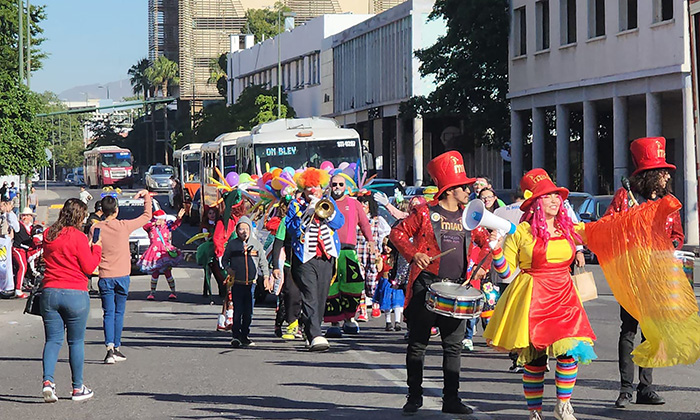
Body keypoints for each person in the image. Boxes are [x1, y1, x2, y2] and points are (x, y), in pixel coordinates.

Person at [485, 168, 597, 420]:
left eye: (557, 196)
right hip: (534, 296)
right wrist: (496, 250)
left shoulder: (568, 228)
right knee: (535, 360)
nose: (555, 201)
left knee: (570, 352)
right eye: (548, 197)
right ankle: (535, 412)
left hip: (565, 295)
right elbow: (506, 273)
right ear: (535, 203)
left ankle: (563, 406)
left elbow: (596, 234)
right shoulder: (520, 232)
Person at [389, 150, 477, 415]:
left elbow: (484, 243)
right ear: (450, 190)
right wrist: (414, 254)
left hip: (458, 288)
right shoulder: (425, 212)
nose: (468, 191)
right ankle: (414, 396)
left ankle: (451, 399)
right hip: (426, 284)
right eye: (464, 187)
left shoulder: (470, 217)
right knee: (418, 343)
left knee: (453, 347)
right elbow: (397, 232)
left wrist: (481, 267)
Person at [604, 137, 683, 408]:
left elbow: (677, 235)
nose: (665, 177)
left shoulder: (670, 202)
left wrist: (672, 245)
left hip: (658, 276)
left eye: (666, 173)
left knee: (652, 334)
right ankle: (625, 389)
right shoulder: (625, 198)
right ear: (647, 175)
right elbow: (607, 226)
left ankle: (645, 388)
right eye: (660, 172)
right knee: (629, 331)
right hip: (632, 275)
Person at [41, 198, 102, 402]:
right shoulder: (79, 237)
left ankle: (48, 382)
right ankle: (77, 388)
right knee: (75, 342)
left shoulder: (48, 234)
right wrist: (96, 248)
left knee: (52, 340)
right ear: (79, 216)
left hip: (50, 291)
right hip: (75, 292)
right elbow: (88, 267)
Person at [286, 168, 345, 352]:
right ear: (303, 189)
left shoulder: (329, 203)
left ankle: (310, 330)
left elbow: (339, 223)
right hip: (305, 258)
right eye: (309, 187)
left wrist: (323, 207)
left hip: (326, 256)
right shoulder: (295, 205)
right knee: (310, 295)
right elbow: (293, 230)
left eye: (316, 187)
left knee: (321, 296)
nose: (313, 190)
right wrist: (307, 213)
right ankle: (316, 334)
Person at [93, 190, 152, 365]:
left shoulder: (96, 228)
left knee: (108, 313)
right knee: (119, 312)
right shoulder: (124, 226)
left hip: (105, 275)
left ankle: (109, 348)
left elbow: (93, 247)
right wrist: (146, 196)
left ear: (102, 211)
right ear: (116, 210)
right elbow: (147, 215)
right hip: (122, 275)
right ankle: (117, 346)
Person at [323, 174, 375, 337]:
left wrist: (371, 241)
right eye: (334, 184)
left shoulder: (354, 204)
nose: (337, 187)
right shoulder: (325, 204)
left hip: (348, 251)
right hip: (329, 252)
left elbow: (365, 224)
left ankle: (349, 319)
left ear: (346, 186)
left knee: (353, 285)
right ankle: (334, 323)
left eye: (340, 184)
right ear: (330, 186)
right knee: (331, 287)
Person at [222, 216, 270, 347]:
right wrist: (228, 269)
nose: (243, 231)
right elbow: (224, 260)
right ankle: (235, 336)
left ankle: (245, 335)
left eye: (246, 229)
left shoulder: (256, 244)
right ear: (237, 231)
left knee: (248, 312)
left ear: (250, 230)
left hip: (252, 284)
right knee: (237, 311)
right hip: (237, 283)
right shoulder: (232, 245)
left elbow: (263, 262)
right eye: (241, 229)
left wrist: (266, 277)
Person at [354, 193, 391, 321]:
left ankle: (376, 302)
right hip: (358, 255)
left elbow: (386, 235)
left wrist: (384, 250)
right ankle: (363, 310)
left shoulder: (377, 220)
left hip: (373, 256)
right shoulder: (354, 220)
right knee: (359, 282)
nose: (363, 206)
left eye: (365, 203)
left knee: (372, 282)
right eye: (360, 203)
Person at [139, 209, 185, 300]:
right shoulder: (151, 228)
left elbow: (175, 225)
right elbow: (144, 226)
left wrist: (179, 218)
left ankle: (173, 292)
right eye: (158, 220)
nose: (160, 222)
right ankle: (152, 293)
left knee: (168, 272)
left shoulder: (167, 227)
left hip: (165, 253)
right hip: (154, 252)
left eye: (162, 220)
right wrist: (153, 224)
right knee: (154, 273)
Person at [372, 239, 404, 331]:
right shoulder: (382, 257)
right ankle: (388, 322)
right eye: (384, 245)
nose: (386, 248)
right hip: (386, 281)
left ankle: (397, 322)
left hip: (395, 280)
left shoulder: (397, 256)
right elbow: (379, 269)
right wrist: (378, 260)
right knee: (386, 302)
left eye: (388, 246)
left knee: (397, 302)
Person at [11, 207, 35, 298]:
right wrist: (9, 212)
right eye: (24, 215)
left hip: (26, 251)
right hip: (17, 249)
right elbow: (12, 221)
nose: (25, 217)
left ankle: (26, 283)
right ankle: (18, 290)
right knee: (22, 266)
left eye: (28, 215)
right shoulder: (19, 225)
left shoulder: (32, 227)